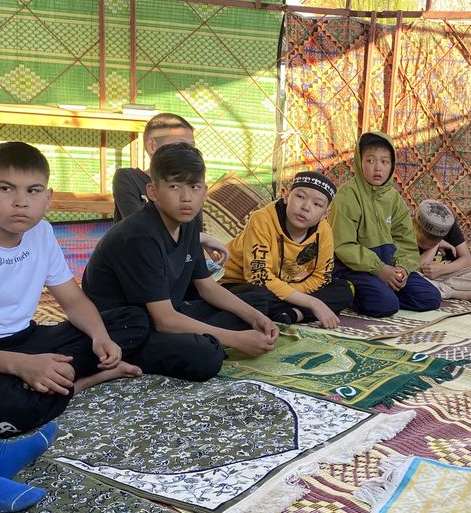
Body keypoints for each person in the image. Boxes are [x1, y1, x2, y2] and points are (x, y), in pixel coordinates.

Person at [0, 142, 148, 512]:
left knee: (130, 321)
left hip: (26, 338)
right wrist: (21, 365)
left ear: (47, 198)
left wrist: (99, 337)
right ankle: (75, 382)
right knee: (14, 398)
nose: (20, 202)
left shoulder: (42, 233)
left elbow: (73, 300)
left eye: (31, 191)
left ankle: (47, 384)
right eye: (5, 188)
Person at [83, 143, 278, 381]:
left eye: (194, 187)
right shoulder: (140, 236)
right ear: (152, 191)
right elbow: (164, 320)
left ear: (204, 191)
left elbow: (207, 286)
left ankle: (209, 335)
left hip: (168, 311)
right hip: (126, 329)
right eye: (174, 186)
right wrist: (237, 339)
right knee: (205, 356)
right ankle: (194, 343)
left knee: (256, 300)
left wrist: (257, 318)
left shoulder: (188, 224)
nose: (186, 198)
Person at [220, 171, 353, 328]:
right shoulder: (262, 219)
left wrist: (291, 292)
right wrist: (312, 302)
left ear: (325, 214)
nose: (305, 207)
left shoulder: (323, 231)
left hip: (278, 285)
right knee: (258, 298)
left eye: (317, 204)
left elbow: (321, 277)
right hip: (238, 284)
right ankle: (298, 311)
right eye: (300, 197)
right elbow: (258, 277)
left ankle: (292, 314)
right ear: (286, 195)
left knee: (344, 290)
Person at [328, 131, 441, 317]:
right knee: (385, 305)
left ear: (392, 165)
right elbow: (343, 245)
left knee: (430, 298)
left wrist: (403, 269)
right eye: (370, 161)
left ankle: (385, 293)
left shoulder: (394, 199)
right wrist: (378, 269)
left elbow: (405, 241)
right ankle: (352, 293)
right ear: (359, 162)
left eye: (384, 161)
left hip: (389, 266)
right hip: (353, 268)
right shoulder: (347, 195)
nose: (378, 168)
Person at [112, 112, 229, 265]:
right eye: (180, 144)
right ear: (152, 146)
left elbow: (193, 235)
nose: (186, 151)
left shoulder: (189, 188)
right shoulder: (127, 177)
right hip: (139, 263)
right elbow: (139, 231)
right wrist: (199, 238)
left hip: (177, 267)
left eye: (191, 147)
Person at [414, 199, 471, 302]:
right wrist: (436, 245)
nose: (427, 244)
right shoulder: (406, 229)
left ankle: (440, 289)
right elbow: (417, 266)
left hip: (450, 275)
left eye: (436, 241)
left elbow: (467, 259)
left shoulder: (446, 226)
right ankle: (459, 294)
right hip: (422, 277)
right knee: (410, 279)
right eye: (424, 241)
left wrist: (442, 269)